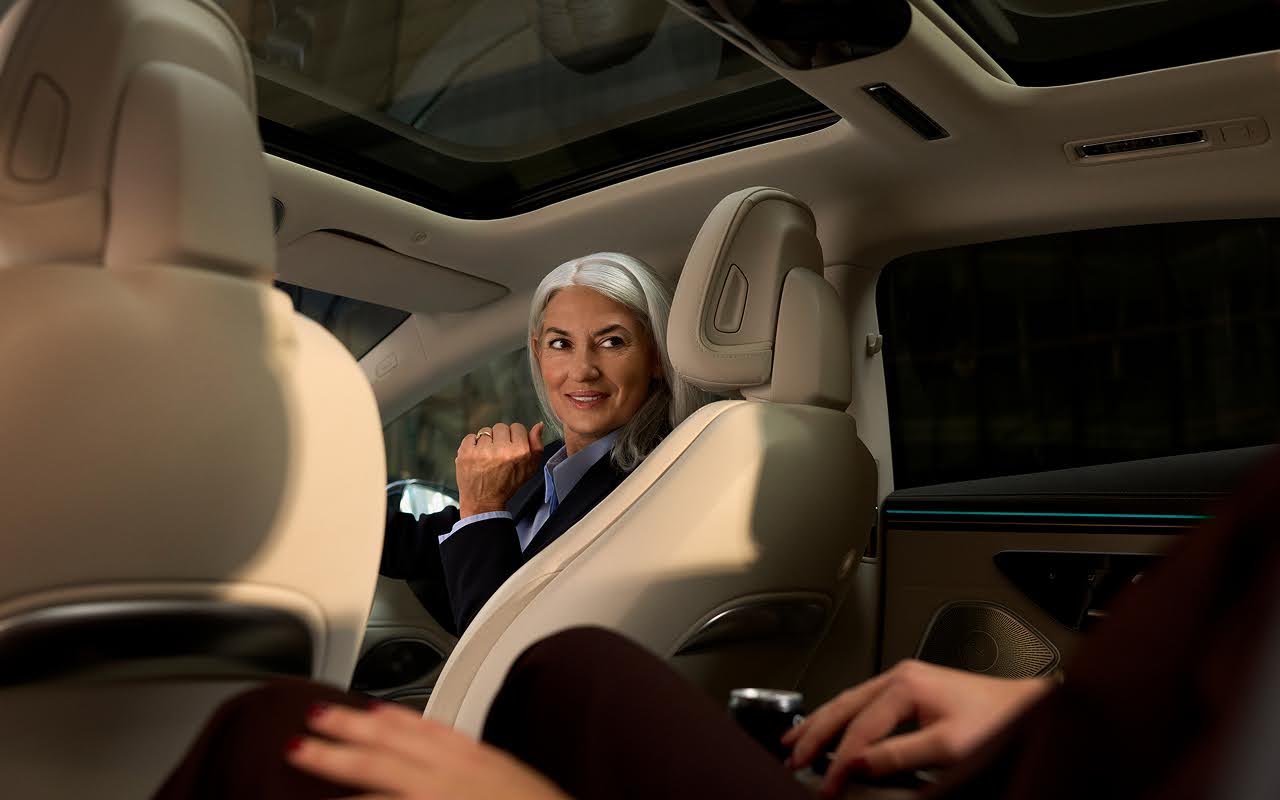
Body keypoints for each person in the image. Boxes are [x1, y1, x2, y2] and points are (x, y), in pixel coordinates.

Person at [155, 445, 1280, 800]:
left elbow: (485, 599)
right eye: (552, 339)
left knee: (285, 736)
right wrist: (1045, 705)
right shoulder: (784, 454)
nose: (576, 367)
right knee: (577, 665)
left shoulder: (639, 474)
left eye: (605, 339)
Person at [380, 252, 702, 634]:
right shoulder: (548, 464)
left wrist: (483, 503)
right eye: (561, 344)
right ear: (537, 352)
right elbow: (434, 550)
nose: (583, 369)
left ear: (656, 358)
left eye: (613, 341)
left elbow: (497, 644)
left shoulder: (656, 486)